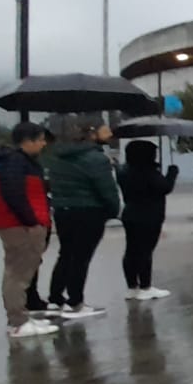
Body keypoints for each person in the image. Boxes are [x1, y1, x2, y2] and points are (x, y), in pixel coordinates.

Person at [44, 115, 120, 319]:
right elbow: (107, 190)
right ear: (92, 132)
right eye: (105, 129)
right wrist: (113, 211)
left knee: (66, 254)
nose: (110, 133)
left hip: (63, 211)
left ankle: (55, 299)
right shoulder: (96, 158)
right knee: (81, 258)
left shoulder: (58, 156)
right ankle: (75, 302)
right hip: (89, 212)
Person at [0, 122, 57, 338]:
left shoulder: (18, 161)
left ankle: (21, 317)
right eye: (40, 139)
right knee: (17, 273)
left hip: (22, 223)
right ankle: (17, 321)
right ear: (27, 141)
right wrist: (31, 221)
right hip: (20, 225)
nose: (43, 143)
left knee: (21, 272)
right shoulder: (15, 162)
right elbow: (14, 194)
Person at [117, 141, 179, 301]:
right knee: (145, 251)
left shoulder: (124, 170)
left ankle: (132, 286)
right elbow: (164, 187)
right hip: (149, 215)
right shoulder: (148, 171)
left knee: (131, 250)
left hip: (130, 213)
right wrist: (172, 173)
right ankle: (145, 286)